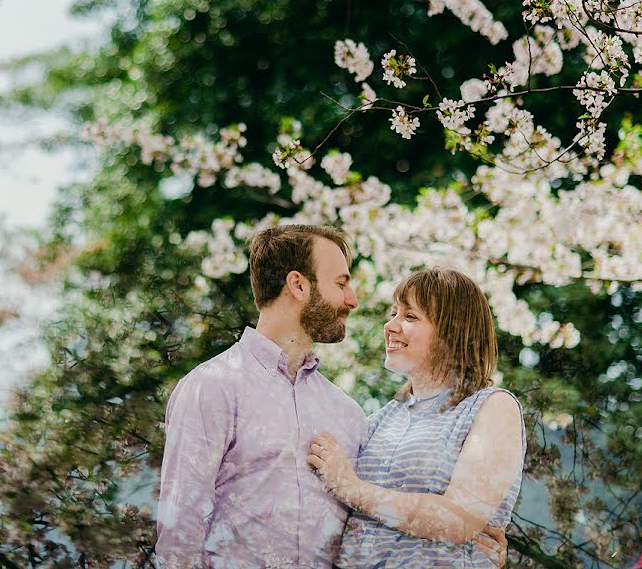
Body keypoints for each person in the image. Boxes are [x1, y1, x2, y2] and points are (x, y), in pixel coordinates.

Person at [156, 227, 507, 567]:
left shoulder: (349, 414)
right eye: (341, 283)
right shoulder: (212, 387)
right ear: (298, 285)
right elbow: (180, 532)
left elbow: (370, 513)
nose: (353, 300)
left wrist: (464, 536)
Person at [308, 267, 526, 568]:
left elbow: (458, 521)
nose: (391, 326)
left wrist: (352, 487)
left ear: (453, 331)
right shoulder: (382, 419)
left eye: (410, 317)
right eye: (393, 313)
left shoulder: (493, 408)